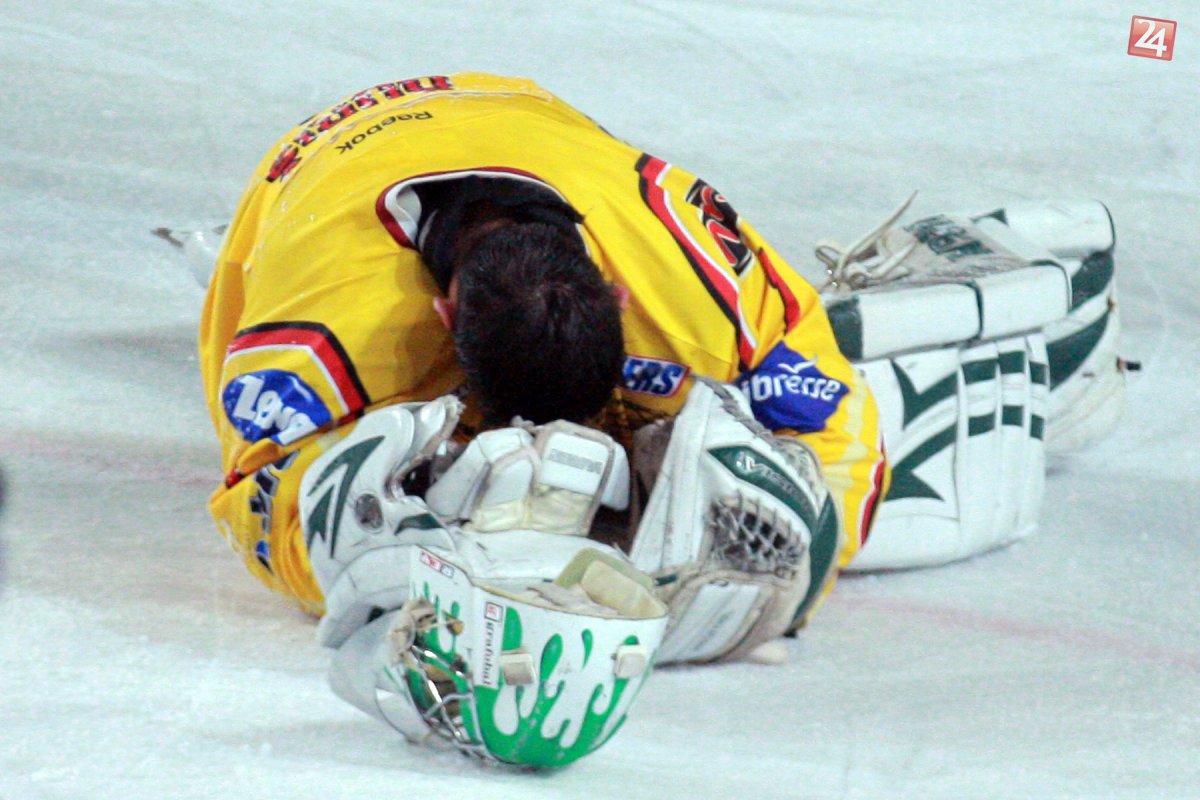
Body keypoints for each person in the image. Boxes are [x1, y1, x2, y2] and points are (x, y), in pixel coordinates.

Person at [198, 72, 889, 765]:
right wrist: (396, 568)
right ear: (442, 322)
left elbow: (831, 417)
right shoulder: (319, 335)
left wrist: (801, 567)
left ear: (618, 300)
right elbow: (255, 504)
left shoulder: (694, 273)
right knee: (336, 462)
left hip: (537, 122)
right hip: (321, 166)